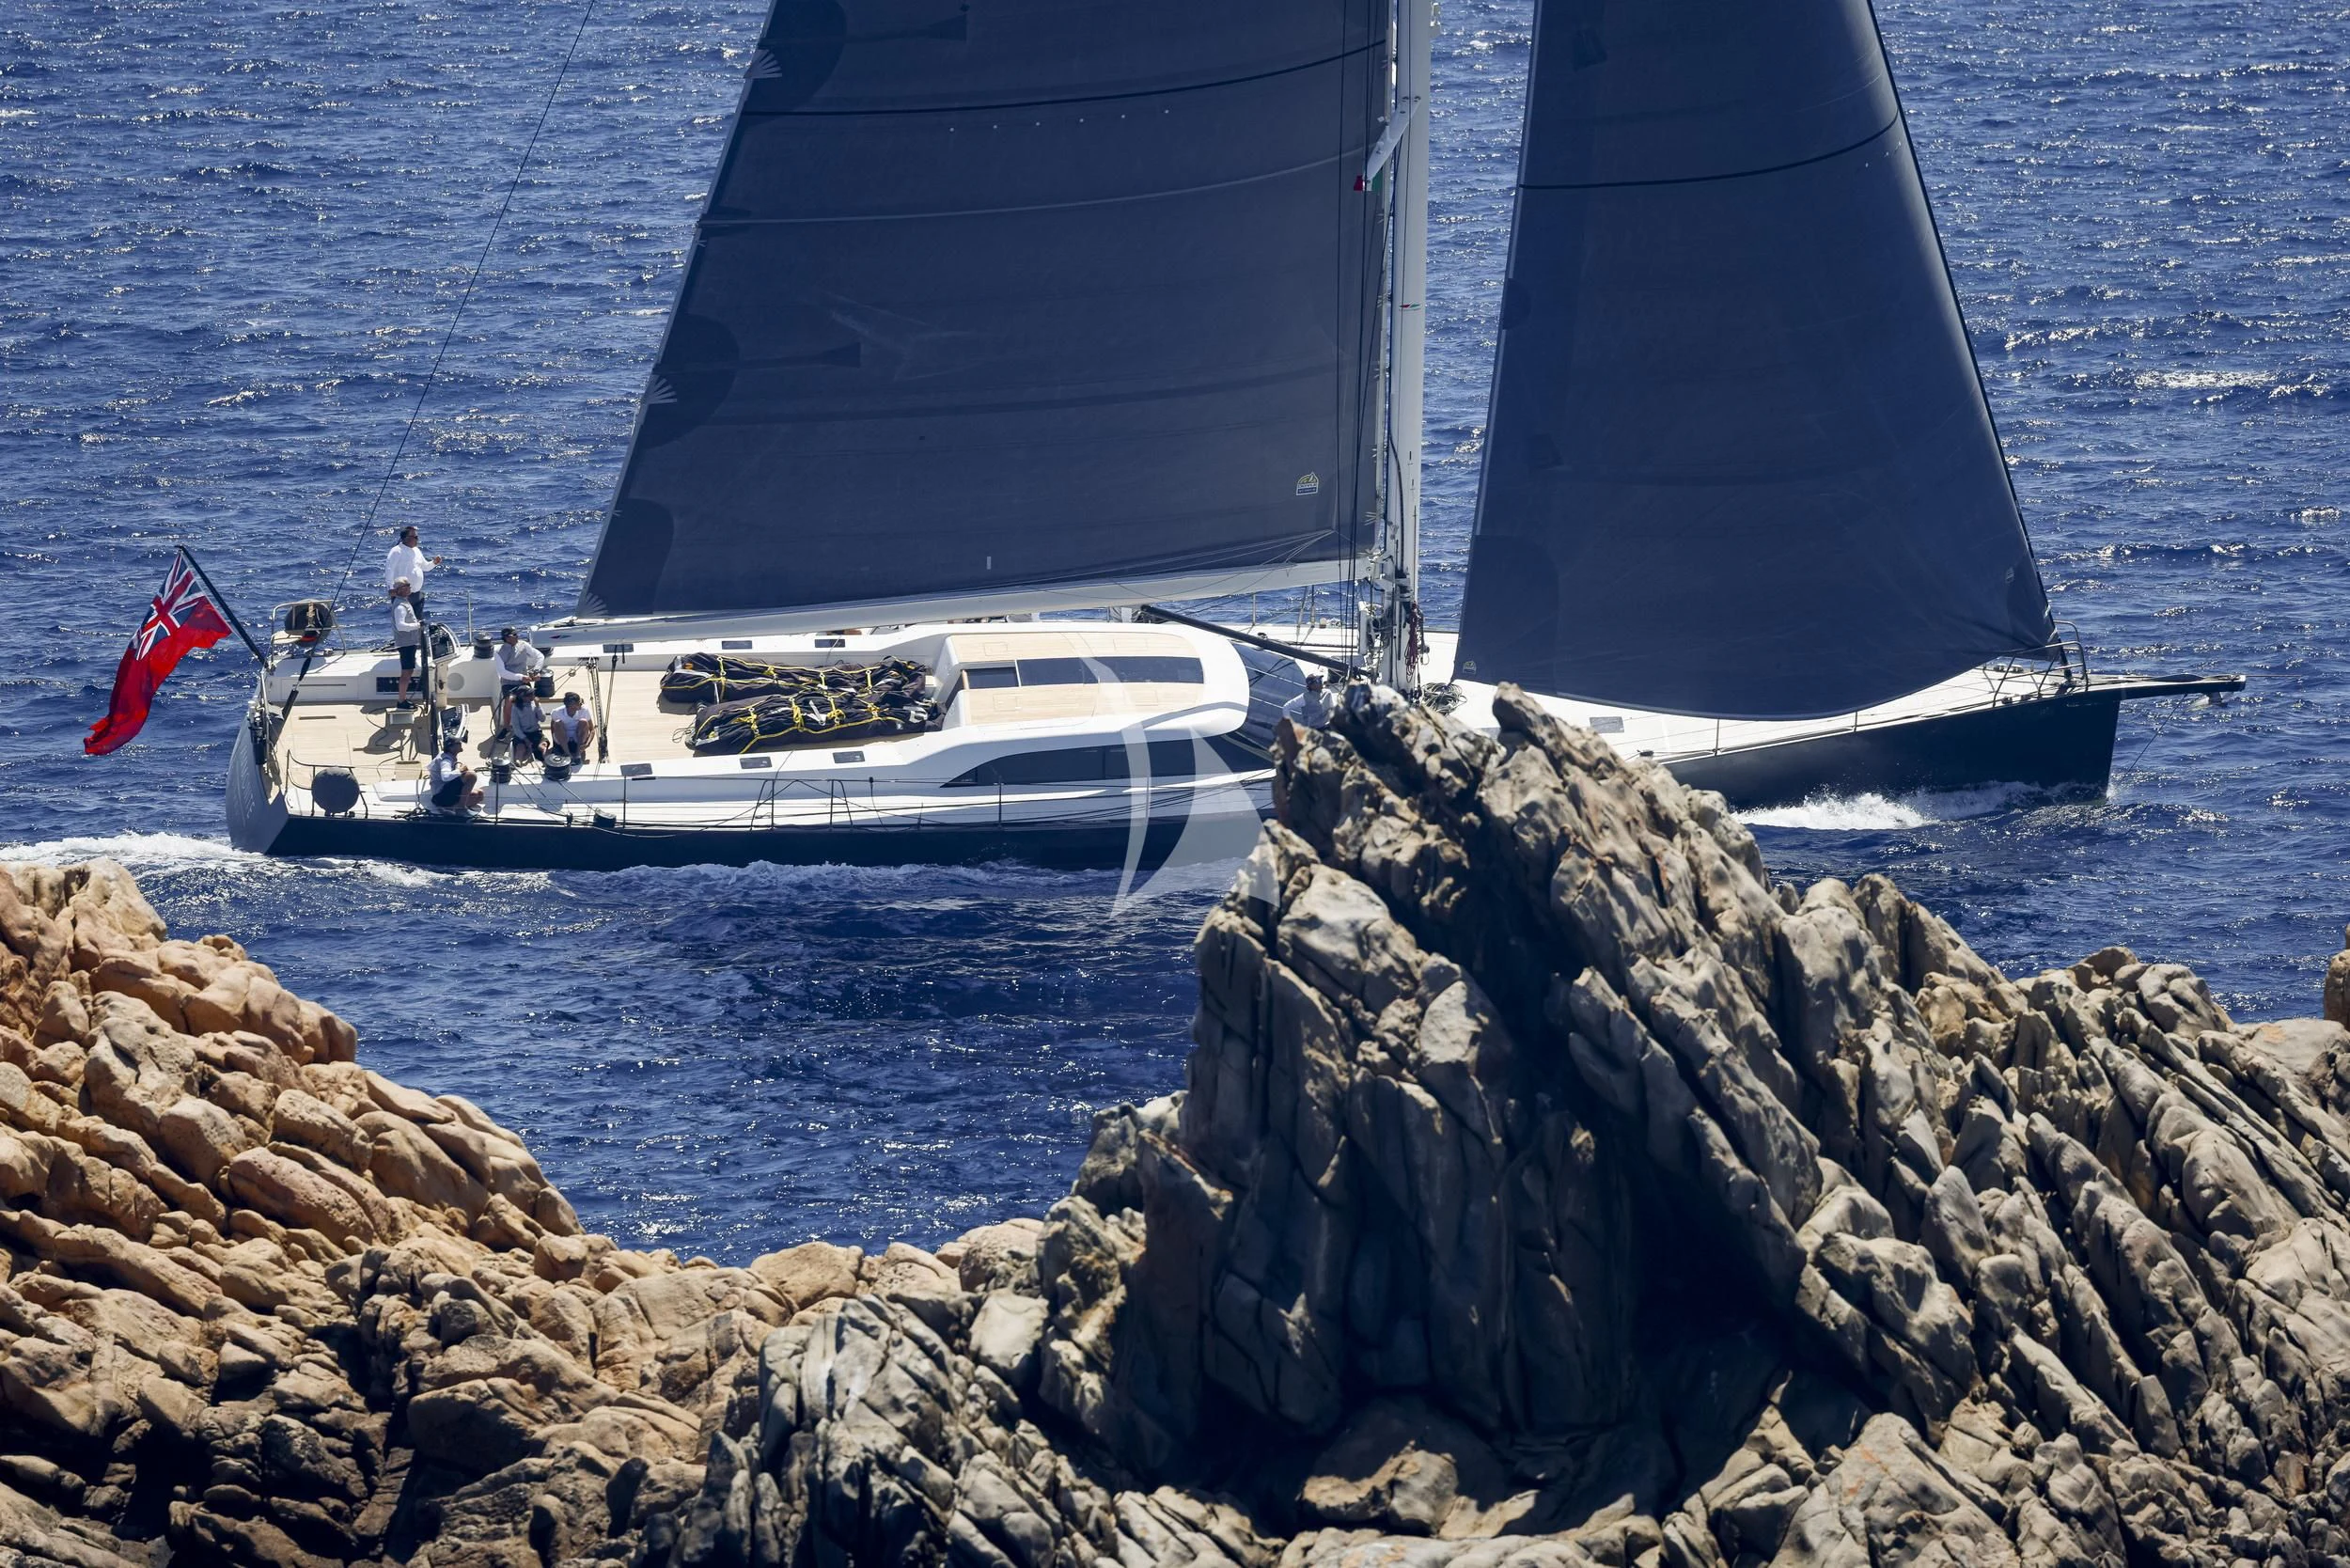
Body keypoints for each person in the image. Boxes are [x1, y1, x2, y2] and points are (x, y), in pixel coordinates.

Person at [492, 627, 545, 735]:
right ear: (507, 638)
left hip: (523, 682)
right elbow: (503, 673)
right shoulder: (498, 652)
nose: (518, 637)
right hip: (509, 683)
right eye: (515, 635)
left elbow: (540, 656)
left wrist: (536, 670)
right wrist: (521, 677)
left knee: (531, 699)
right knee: (509, 701)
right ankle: (507, 728)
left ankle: (533, 725)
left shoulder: (524, 645)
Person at [384, 525, 444, 620]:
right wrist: (391, 588)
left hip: (416, 594)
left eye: (417, 537)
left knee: (418, 622)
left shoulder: (417, 550)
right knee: (405, 622)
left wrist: (434, 563)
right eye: (415, 537)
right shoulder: (396, 551)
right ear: (406, 538)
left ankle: (419, 635)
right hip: (402, 594)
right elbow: (389, 569)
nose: (417, 539)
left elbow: (425, 567)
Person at [389, 579, 422, 708]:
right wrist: (417, 625)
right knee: (406, 673)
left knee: (408, 671)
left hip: (409, 642)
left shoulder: (403, 602)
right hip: (406, 644)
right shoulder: (400, 607)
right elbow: (401, 626)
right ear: (400, 589)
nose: (410, 587)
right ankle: (401, 701)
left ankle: (402, 700)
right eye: (407, 586)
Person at [426, 738, 482, 813]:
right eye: (458, 743)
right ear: (451, 747)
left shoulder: (447, 756)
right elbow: (446, 777)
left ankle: (450, 807)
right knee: (472, 775)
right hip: (440, 796)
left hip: (446, 792)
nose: (461, 743)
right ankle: (461, 808)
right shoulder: (446, 760)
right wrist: (460, 770)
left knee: (479, 795)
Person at [551, 692, 597, 763]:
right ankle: (568, 755)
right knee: (558, 723)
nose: (581, 704)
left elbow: (592, 729)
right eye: (579, 703)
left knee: (583, 721)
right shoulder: (556, 712)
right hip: (563, 738)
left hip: (578, 737)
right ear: (571, 705)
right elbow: (553, 729)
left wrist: (588, 743)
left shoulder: (584, 710)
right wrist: (555, 744)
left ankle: (578, 755)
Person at [508, 688, 549, 764]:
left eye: (533, 694)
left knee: (542, 746)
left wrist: (538, 707)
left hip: (536, 731)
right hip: (522, 733)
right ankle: (518, 762)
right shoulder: (516, 708)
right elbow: (516, 727)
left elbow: (543, 719)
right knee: (521, 748)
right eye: (530, 695)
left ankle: (547, 761)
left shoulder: (536, 704)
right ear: (522, 697)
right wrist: (525, 739)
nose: (533, 696)